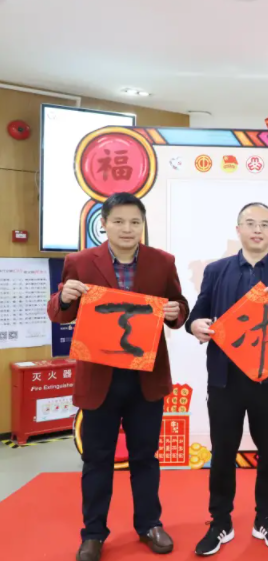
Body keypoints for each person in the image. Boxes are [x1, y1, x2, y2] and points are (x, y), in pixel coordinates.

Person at [47, 193, 189, 561]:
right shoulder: (80, 262)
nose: (128, 229)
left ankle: (150, 524)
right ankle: (93, 533)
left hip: (146, 378)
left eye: (135, 222)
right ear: (104, 224)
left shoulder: (162, 262)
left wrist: (175, 311)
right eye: (119, 221)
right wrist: (65, 297)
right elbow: (59, 313)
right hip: (99, 378)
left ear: (143, 225)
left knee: (145, 457)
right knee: (97, 459)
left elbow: (179, 307)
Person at [187, 202, 268, 555]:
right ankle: (220, 520)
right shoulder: (216, 270)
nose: (258, 230)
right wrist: (195, 325)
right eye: (251, 223)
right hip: (225, 378)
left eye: (265, 224)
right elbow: (198, 314)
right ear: (238, 229)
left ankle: (266, 517)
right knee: (223, 451)